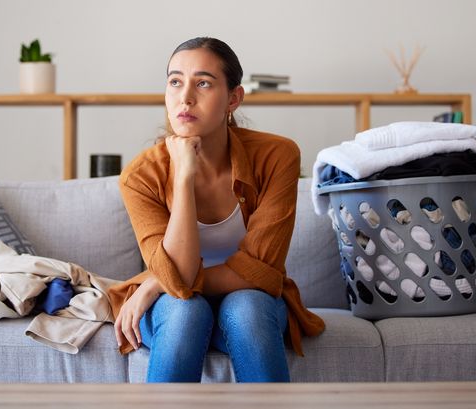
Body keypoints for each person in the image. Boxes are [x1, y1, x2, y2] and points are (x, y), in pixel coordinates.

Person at [107, 37, 325, 383]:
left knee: (247, 307)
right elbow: (178, 285)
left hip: (245, 308)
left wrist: (155, 284)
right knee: (186, 312)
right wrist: (184, 177)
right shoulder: (140, 176)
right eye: (175, 81)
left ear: (233, 99)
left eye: (203, 83)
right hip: (174, 312)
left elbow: (262, 270)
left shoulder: (277, 156)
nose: (185, 97)